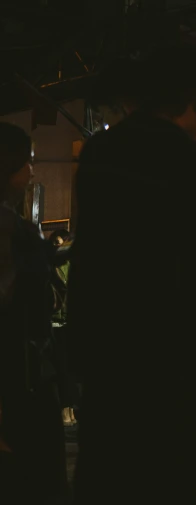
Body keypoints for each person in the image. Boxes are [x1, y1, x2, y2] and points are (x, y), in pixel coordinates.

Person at [70, 45, 196, 505]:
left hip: (107, 361)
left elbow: (86, 259)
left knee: (108, 479)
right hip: (173, 369)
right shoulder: (191, 166)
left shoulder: (100, 152)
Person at [0, 122, 68, 505]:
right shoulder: (8, 226)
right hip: (18, 377)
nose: (32, 171)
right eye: (27, 161)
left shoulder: (14, 224)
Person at [49, 228, 78, 427]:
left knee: (67, 371)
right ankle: (65, 411)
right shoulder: (52, 266)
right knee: (61, 370)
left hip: (65, 323)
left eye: (61, 243)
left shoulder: (67, 265)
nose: (58, 247)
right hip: (55, 324)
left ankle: (69, 410)